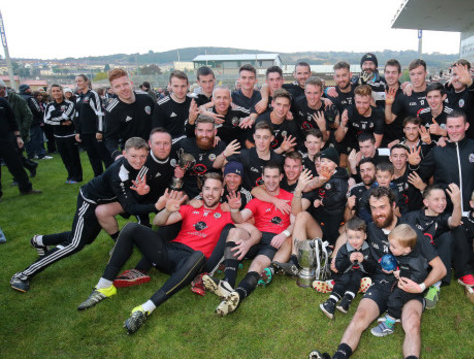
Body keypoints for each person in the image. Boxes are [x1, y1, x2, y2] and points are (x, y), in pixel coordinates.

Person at [308, 186, 446, 359]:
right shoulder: (369, 229)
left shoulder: (410, 233)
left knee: (412, 322)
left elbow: (440, 269)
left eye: (382, 207)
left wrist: (420, 286)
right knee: (360, 317)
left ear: (393, 206)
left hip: (409, 286)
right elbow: (347, 234)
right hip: (382, 284)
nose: (378, 212)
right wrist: (335, 257)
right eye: (373, 208)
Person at [77, 174, 233, 334]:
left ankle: (145, 308)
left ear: (222, 192)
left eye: (215, 189)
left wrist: (234, 210)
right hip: (169, 252)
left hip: (190, 262)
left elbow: (248, 229)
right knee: (131, 227)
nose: (210, 193)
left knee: (199, 255)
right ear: (202, 189)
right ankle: (104, 287)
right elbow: (158, 222)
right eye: (207, 188)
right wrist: (167, 210)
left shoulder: (229, 214)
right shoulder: (191, 207)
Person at [10, 137, 161, 293]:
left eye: (142, 156)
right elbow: (130, 207)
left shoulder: (143, 167)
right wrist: (156, 206)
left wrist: (143, 196)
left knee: (85, 237)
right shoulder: (119, 174)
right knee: (75, 243)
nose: (138, 160)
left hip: (105, 200)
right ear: (124, 154)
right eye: (134, 156)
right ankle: (22, 275)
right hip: (90, 200)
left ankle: (40, 241)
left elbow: (133, 200)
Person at [212, 162, 294, 316]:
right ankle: (228, 283)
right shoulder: (257, 199)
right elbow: (239, 218)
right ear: (262, 177)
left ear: (281, 177)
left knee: (258, 264)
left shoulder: (290, 198)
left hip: (274, 240)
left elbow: (295, 223)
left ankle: (238, 294)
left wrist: (284, 234)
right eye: (267, 177)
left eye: (275, 177)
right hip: (256, 236)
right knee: (235, 232)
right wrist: (234, 209)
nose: (271, 181)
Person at [370, 224, 429, 337]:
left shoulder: (416, 261)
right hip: (402, 282)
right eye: (390, 245)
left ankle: (389, 323)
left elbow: (419, 276)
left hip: (412, 286)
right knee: (391, 292)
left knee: (394, 298)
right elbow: (398, 264)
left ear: (407, 249)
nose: (390, 248)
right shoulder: (400, 253)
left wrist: (402, 274)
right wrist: (391, 269)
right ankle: (395, 313)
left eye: (394, 246)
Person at [316, 217, 374, 318]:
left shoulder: (368, 249)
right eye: (350, 237)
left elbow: (371, 269)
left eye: (358, 237)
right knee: (344, 278)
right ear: (346, 237)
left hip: (358, 275)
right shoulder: (344, 249)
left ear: (365, 236)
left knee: (356, 276)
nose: (354, 241)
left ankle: (346, 301)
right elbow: (339, 267)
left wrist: (363, 261)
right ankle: (330, 303)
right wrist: (348, 260)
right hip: (344, 274)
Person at [104, 68, 155, 160]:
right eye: (118, 86)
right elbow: (109, 138)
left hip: (153, 150)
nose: (123, 88)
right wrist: (117, 155)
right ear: (113, 90)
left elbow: (158, 121)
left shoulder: (146, 98)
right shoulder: (112, 110)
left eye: (125, 84)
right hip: (133, 156)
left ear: (131, 83)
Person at [0, 94, 42, 199]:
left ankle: (26, 188)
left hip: (6, 138)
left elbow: (12, 119)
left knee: (16, 164)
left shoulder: (2, 102)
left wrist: (18, 136)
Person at [44, 84, 82, 183]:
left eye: (58, 90)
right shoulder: (50, 105)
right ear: (51, 93)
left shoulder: (69, 104)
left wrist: (55, 116)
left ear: (62, 92)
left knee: (74, 157)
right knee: (65, 158)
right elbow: (46, 120)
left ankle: (77, 177)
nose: (56, 93)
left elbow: (66, 116)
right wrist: (60, 122)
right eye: (54, 91)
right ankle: (70, 176)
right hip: (58, 136)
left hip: (70, 135)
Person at [74, 74, 106, 176]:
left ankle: (113, 178)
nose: (78, 83)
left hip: (95, 132)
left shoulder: (92, 94)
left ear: (87, 81)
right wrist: (78, 132)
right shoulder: (79, 98)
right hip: (85, 132)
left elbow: (100, 113)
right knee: (92, 157)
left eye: (80, 81)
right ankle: (98, 178)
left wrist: (100, 130)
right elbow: (78, 116)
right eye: (76, 81)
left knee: (104, 156)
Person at [153, 70, 192, 143]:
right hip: (171, 147)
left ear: (188, 85)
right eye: (176, 86)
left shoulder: (193, 103)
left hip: (191, 147)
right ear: (170, 85)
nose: (180, 90)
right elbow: (158, 133)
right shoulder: (161, 105)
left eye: (183, 86)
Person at [19, 84, 49, 160]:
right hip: (34, 121)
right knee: (37, 139)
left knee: (27, 140)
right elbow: (37, 109)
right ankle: (41, 154)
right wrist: (40, 117)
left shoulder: (17, 98)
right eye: (29, 88)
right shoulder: (30, 98)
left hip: (22, 123)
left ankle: (31, 155)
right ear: (27, 90)